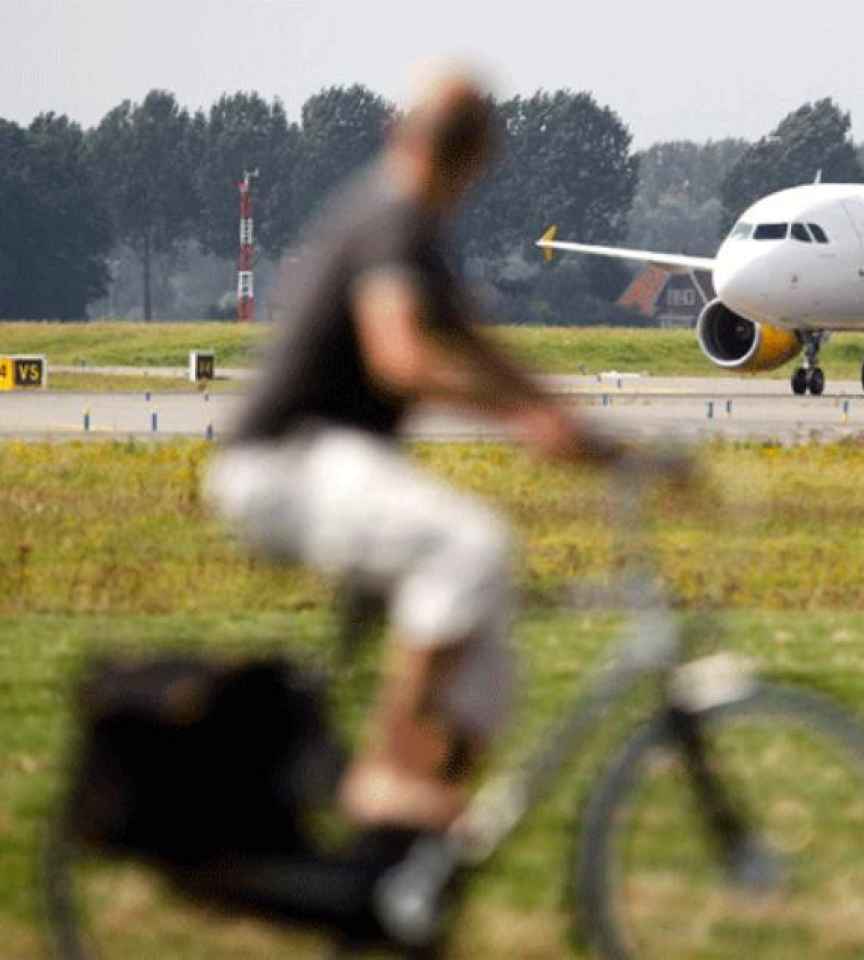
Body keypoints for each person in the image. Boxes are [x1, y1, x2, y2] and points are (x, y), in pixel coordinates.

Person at [205, 68, 617, 833]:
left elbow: (478, 347)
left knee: (491, 664)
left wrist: (577, 425)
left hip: (331, 463)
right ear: (477, 161)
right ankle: (381, 782)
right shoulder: (392, 220)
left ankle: (403, 855)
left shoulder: (413, 228)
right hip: (286, 463)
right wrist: (528, 420)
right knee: (473, 547)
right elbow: (405, 357)